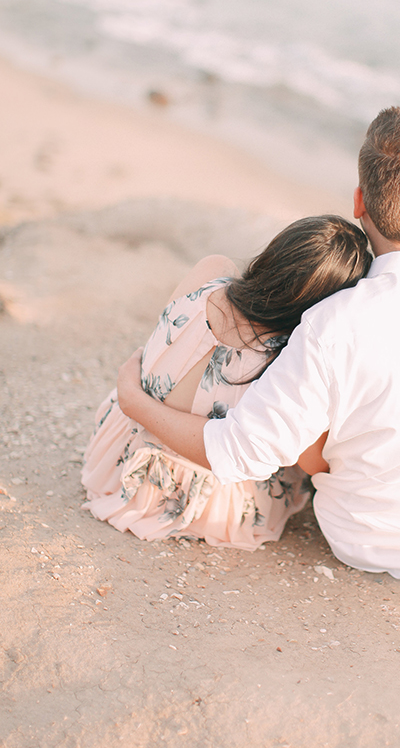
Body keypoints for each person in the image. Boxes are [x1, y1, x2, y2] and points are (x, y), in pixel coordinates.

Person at [117, 107, 400, 580]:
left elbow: (238, 452)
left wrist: (134, 403)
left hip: (362, 540)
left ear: (360, 202)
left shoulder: (328, 324)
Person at [81, 215, 372, 548]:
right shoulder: (289, 361)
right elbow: (312, 462)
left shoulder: (210, 273)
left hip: (117, 463)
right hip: (202, 504)